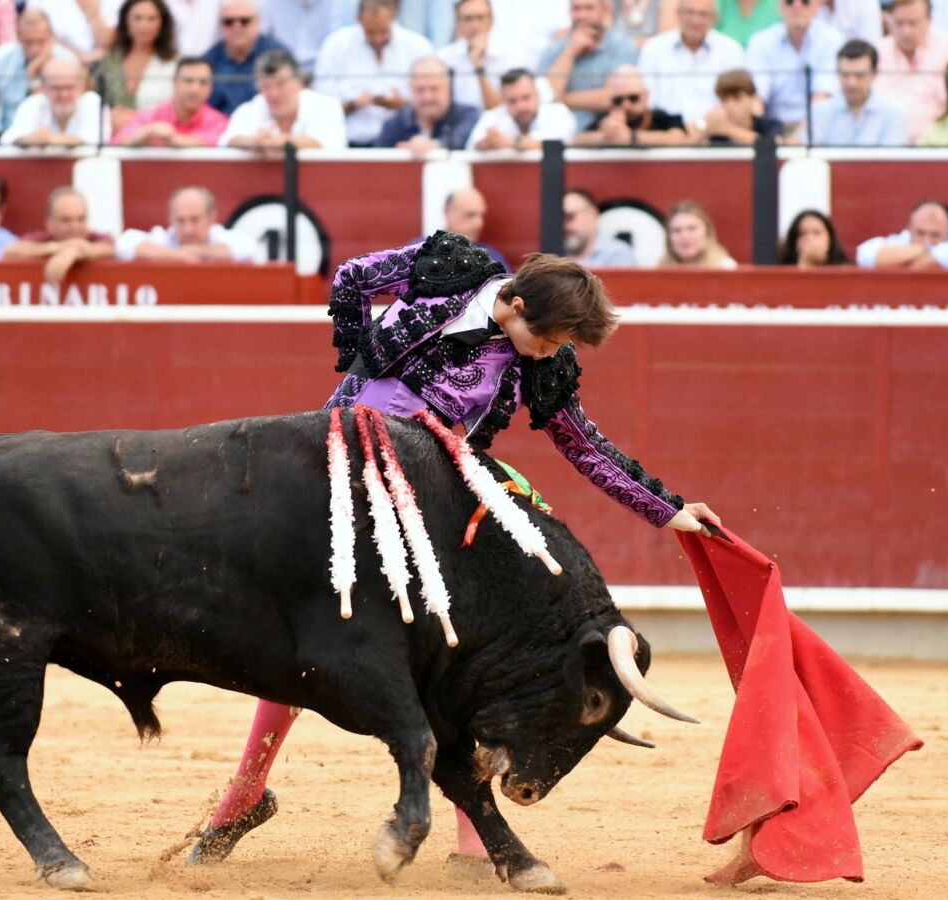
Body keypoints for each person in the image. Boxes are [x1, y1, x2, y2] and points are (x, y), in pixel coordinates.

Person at [187, 232, 721, 870]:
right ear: (515, 303)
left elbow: (583, 444)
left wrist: (667, 509)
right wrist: (360, 363)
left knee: (461, 653)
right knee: (307, 638)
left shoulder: (542, 362)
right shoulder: (452, 271)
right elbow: (353, 277)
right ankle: (245, 794)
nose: (551, 353)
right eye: (547, 338)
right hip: (338, 476)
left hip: (430, 501)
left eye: (561, 346)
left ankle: (472, 836)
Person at [313, 0, 434, 146]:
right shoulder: (336, 45)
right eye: (370, 32)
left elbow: (436, 104)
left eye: (383, 31)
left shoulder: (418, 47)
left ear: (394, 17)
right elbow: (322, 108)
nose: (377, 39)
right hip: (350, 143)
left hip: (404, 144)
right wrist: (353, 105)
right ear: (358, 19)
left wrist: (404, 105)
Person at [872, 0, 948, 143]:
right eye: (899, 23)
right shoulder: (875, 52)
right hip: (882, 146)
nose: (906, 31)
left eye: (913, 23)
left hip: (939, 145)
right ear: (888, 20)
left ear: (929, 20)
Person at [744, 0, 843, 134]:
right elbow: (756, 97)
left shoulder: (832, 40)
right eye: (789, 2)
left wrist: (799, 138)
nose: (797, 7)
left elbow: (823, 97)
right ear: (780, 6)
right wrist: (760, 131)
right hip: (772, 127)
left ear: (817, 6)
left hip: (820, 128)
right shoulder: (761, 41)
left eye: (805, 2)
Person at [217, 48, 348, 149]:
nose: (274, 94)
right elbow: (227, 141)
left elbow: (328, 143)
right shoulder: (250, 109)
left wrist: (281, 143)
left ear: (299, 83)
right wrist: (254, 142)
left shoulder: (326, 106)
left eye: (281, 84)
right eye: (266, 86)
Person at [637, 0, 745, 122]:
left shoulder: (731, 50)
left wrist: (701, 126)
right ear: (678, 13)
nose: (695, 21)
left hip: (716, 127)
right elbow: (646, 99)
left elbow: (736, 101)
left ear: (714, 18)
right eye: (690, 13)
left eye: (703, 14)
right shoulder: (654, 48)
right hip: (663, 126)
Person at [540, 0, 640, 131]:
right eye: (576, 9)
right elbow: (545, 95)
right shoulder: (554, 49)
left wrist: (561, 99)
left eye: (589, 8)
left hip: (603, 131)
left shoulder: (622, 46)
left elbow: (616, 97)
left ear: (604, 10)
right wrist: (571, 50)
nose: (582, 15)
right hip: (556, 130)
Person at [0, 7, 78, 134]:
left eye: (41, 41)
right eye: (28, 42)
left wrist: (36, 77)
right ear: (18, 37)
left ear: (52, 37)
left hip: (56, 137)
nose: (34, 49)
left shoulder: (68, 63)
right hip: (6, 136)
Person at [1, 185, 117, 284]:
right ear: (49, 223)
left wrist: (73, 252)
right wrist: (59, 248)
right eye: (66, 220)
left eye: (81, 219)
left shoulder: (98, 238)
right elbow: (10, 252)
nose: (75, 227)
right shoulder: (42, 238)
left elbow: (109, 249)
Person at [115, 186, 260, 262]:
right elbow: (125, 242)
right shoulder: (163, 239)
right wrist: (177, 255)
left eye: (195, 220)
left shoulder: (222, 237)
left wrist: (199, 252)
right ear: (171, 219)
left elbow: (249, 247)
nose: (188, 230)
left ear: (211, 218)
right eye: (180, 220)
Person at [99, 0, 180, 134]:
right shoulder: (110, 61)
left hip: (158, 136)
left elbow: (180, 109)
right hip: (113, 137)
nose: (144, 25)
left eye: (151, 19)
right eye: (138, 18)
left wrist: (136, 120)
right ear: (126, 21)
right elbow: (97, 103)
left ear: (162, 23)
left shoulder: (175, 63)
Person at [808, 39, 908, 145]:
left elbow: (892, 155)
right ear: (837, 73)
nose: (852, 83)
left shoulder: (893, 114)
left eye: (860, 75)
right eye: (845, 75)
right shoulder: (819, 112)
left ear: (874, 74)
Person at [112, 55, 229, 146]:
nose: (195, 89)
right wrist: (144, 134)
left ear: (211, 87)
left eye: (203, 82)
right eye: (188, 81)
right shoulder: (149, 116)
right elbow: (116, 144)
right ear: (174, 83)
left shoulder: (219, 122)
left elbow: (209, 142)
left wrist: (171, 138)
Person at [374, 55, 480, 152]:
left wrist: (435, 145)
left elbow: (462, 139)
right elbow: (378, 158)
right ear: (411, 90)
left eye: (434, 89)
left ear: (448, 88)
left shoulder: (469, 116)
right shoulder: (396, 124)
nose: (427, 97)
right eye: (420, 90)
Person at [202, 0, 287, 115]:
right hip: (221, 123)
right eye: (229, 22)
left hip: (267, 121)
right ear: (220, 25)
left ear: (258, 22)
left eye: (244, 21)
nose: (237, 27)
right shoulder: (209, 61)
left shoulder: (278, 56)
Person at [572, 63, 689, 145]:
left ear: (645, 95)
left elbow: (680, 137)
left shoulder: (659, 117)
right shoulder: (605, 120)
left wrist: (632, 137)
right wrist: (605, 136)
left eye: (633, 98)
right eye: (618, 100)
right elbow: (577, 139)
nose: (625, 105)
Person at [0, 54, 103, 146]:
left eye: (70, 87)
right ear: (43, 87)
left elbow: (93, 139)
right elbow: (8, 139)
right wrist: (27, 140)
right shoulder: (33, 103)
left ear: (82, 86)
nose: (63, 94)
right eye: (56, 88)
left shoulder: (92, 101)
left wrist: (50, 140)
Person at [466, 67, 578, 150]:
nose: (521, 106)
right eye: (512, 101)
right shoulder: (494, 116)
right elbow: (471, 147)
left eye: (526, 97)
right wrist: (486, 144)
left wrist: (513, 143)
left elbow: (557, 144)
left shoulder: (557, 113)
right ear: (504, 100)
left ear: (538, 94)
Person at [435, 0, 514, 110]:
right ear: (458, 24)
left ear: (491, 21)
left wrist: (477, 64)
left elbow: (500, 108)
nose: (474, 25)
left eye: (480, 18)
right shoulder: (443, 59)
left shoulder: (508, 58)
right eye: (468, 19)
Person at [854, 199, 948, 268]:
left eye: (936, 235)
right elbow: (864, 254)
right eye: (920, 233)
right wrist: (925, 250)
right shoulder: (898, 242)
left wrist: (897, 261)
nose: (927, 240)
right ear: (909, 228)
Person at [258, 0, 355, 73]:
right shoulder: (267, 3)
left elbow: (341, 43)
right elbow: (262, 38)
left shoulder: (342, 4)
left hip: (324, 72)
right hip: (280, 71)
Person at [694, 67, 781, 144]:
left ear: (752, 97)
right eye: (724, 99)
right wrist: (704, 127)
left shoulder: (769, 125)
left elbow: (773, 145)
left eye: (737, 98)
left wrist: (728, 129)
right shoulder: (715, 131)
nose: (730, 105)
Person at [431, 185, 507, 267]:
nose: (479, 223)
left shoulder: (492, 257)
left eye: (482, 216)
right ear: (448, 211)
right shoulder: (423, 251)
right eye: (470, 215)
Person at [564, 187, 636, 265]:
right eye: (559, 218)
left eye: (570, 216)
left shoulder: (618, 254)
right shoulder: (555, 257)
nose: (564, 224)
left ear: (593, 214)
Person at [660, 199, 736, 268]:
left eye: (692, 228)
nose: (684, 236)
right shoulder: (659, 270)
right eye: (677, 230)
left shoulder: (726, 268)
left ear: (707, 232)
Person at [777, 209, 848, 266]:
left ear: (830, 238)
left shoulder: (845, 270)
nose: (810, 239)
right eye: (802, 234)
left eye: (816, 232)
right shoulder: (781, 270)